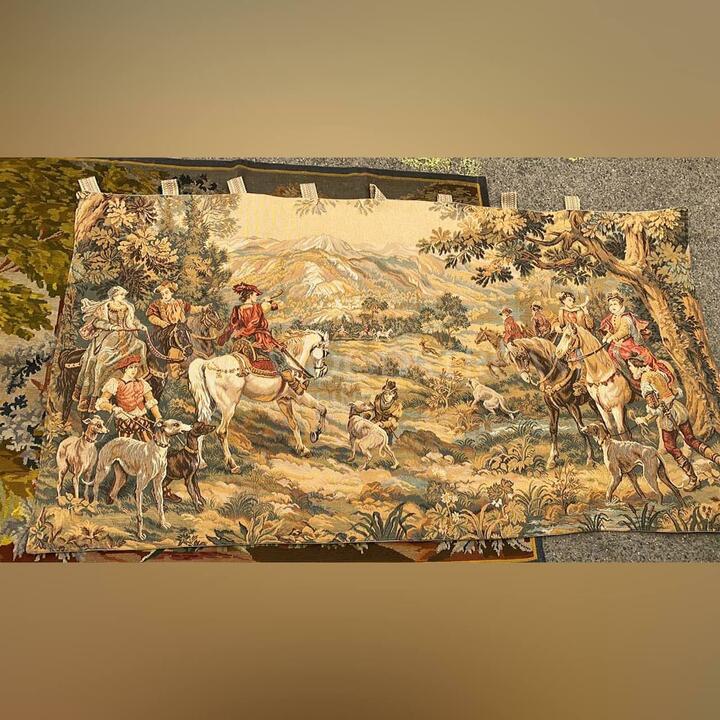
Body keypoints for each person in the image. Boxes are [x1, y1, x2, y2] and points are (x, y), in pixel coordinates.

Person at [630, 356, 720, 491]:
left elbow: (654, 407)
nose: (631, 371)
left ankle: (693, 479)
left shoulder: (645, 381)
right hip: (678, 409)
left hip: (668, 416)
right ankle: (717, 459)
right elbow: (674, 391)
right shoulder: (657, 373)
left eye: (631, 367)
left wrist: (644, 419)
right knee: (691, 439)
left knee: (670, 446)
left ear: (638, 367)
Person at [218, 282, 307, 395]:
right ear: (250, 295)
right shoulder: (258, 308)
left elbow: (231, 326)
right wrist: (268, 302)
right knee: (277, 355)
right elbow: (278, 306)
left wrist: (223, 338)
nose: (257, 297)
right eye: (256, 295)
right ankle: (294, 384)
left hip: (242, 341)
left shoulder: (237, 309)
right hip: (258, 339)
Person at [73, 285, 148, 413]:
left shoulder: (127, 307)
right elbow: (96, 322)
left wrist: (140, 325)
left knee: (141, 345)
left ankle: (138, 375)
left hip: (127, 336)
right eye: (120, 295)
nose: (122, 297)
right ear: (113, 295)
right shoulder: (104, 307)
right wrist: (111, 327)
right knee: (100, 362)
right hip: (109, 336)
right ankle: (94, 395)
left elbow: (133, 320)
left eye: (123, 295)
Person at [600, 292, 675, 384]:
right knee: (609, 354)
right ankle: (621, 376)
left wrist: (613, 337)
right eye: (610, 305)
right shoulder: (611, 318)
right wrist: (607, 336)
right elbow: (611, 330)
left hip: (628, 342)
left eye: (615, 304)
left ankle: (643, 374)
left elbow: (624, 331)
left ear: (621, 304)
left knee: (630, 354)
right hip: (616, 344)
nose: (612, 307)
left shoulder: (625, 317)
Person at [96, 355, 162, 441]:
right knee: (125, 445)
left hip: (142, 420)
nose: (134, 370)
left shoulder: (142, 383)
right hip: (125, 420)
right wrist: (113, 408)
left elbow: (151, 401)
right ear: (125, 369)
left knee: (149, 444)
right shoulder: (116, 383)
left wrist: (158, 417)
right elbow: (102, 402)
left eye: (136, 367)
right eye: (131, 367)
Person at [372, 380, 403, 444]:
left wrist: (382, 424)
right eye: (385, 394)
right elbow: (370, 409)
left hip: (387, 428)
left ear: (394, 394)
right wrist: (366, 417)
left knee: (387, 443)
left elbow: (392, 421)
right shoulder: (377, 399)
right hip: (375, 423)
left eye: (390, 394)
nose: (387, 396)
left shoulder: (396, 406)